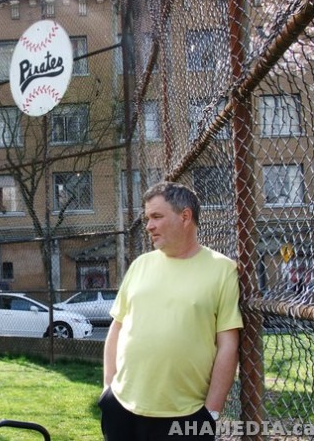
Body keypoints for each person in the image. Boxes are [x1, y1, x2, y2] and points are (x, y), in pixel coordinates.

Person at [100, 181, 243, 440]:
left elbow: (228, 346)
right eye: (147, 218)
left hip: (185, 417)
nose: (149, 226)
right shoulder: (140, 265)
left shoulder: (222, 270)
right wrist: (108, 388)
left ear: (185, 216)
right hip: (121, 408)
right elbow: (117, 327)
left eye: (156, 217)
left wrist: (211, 414)